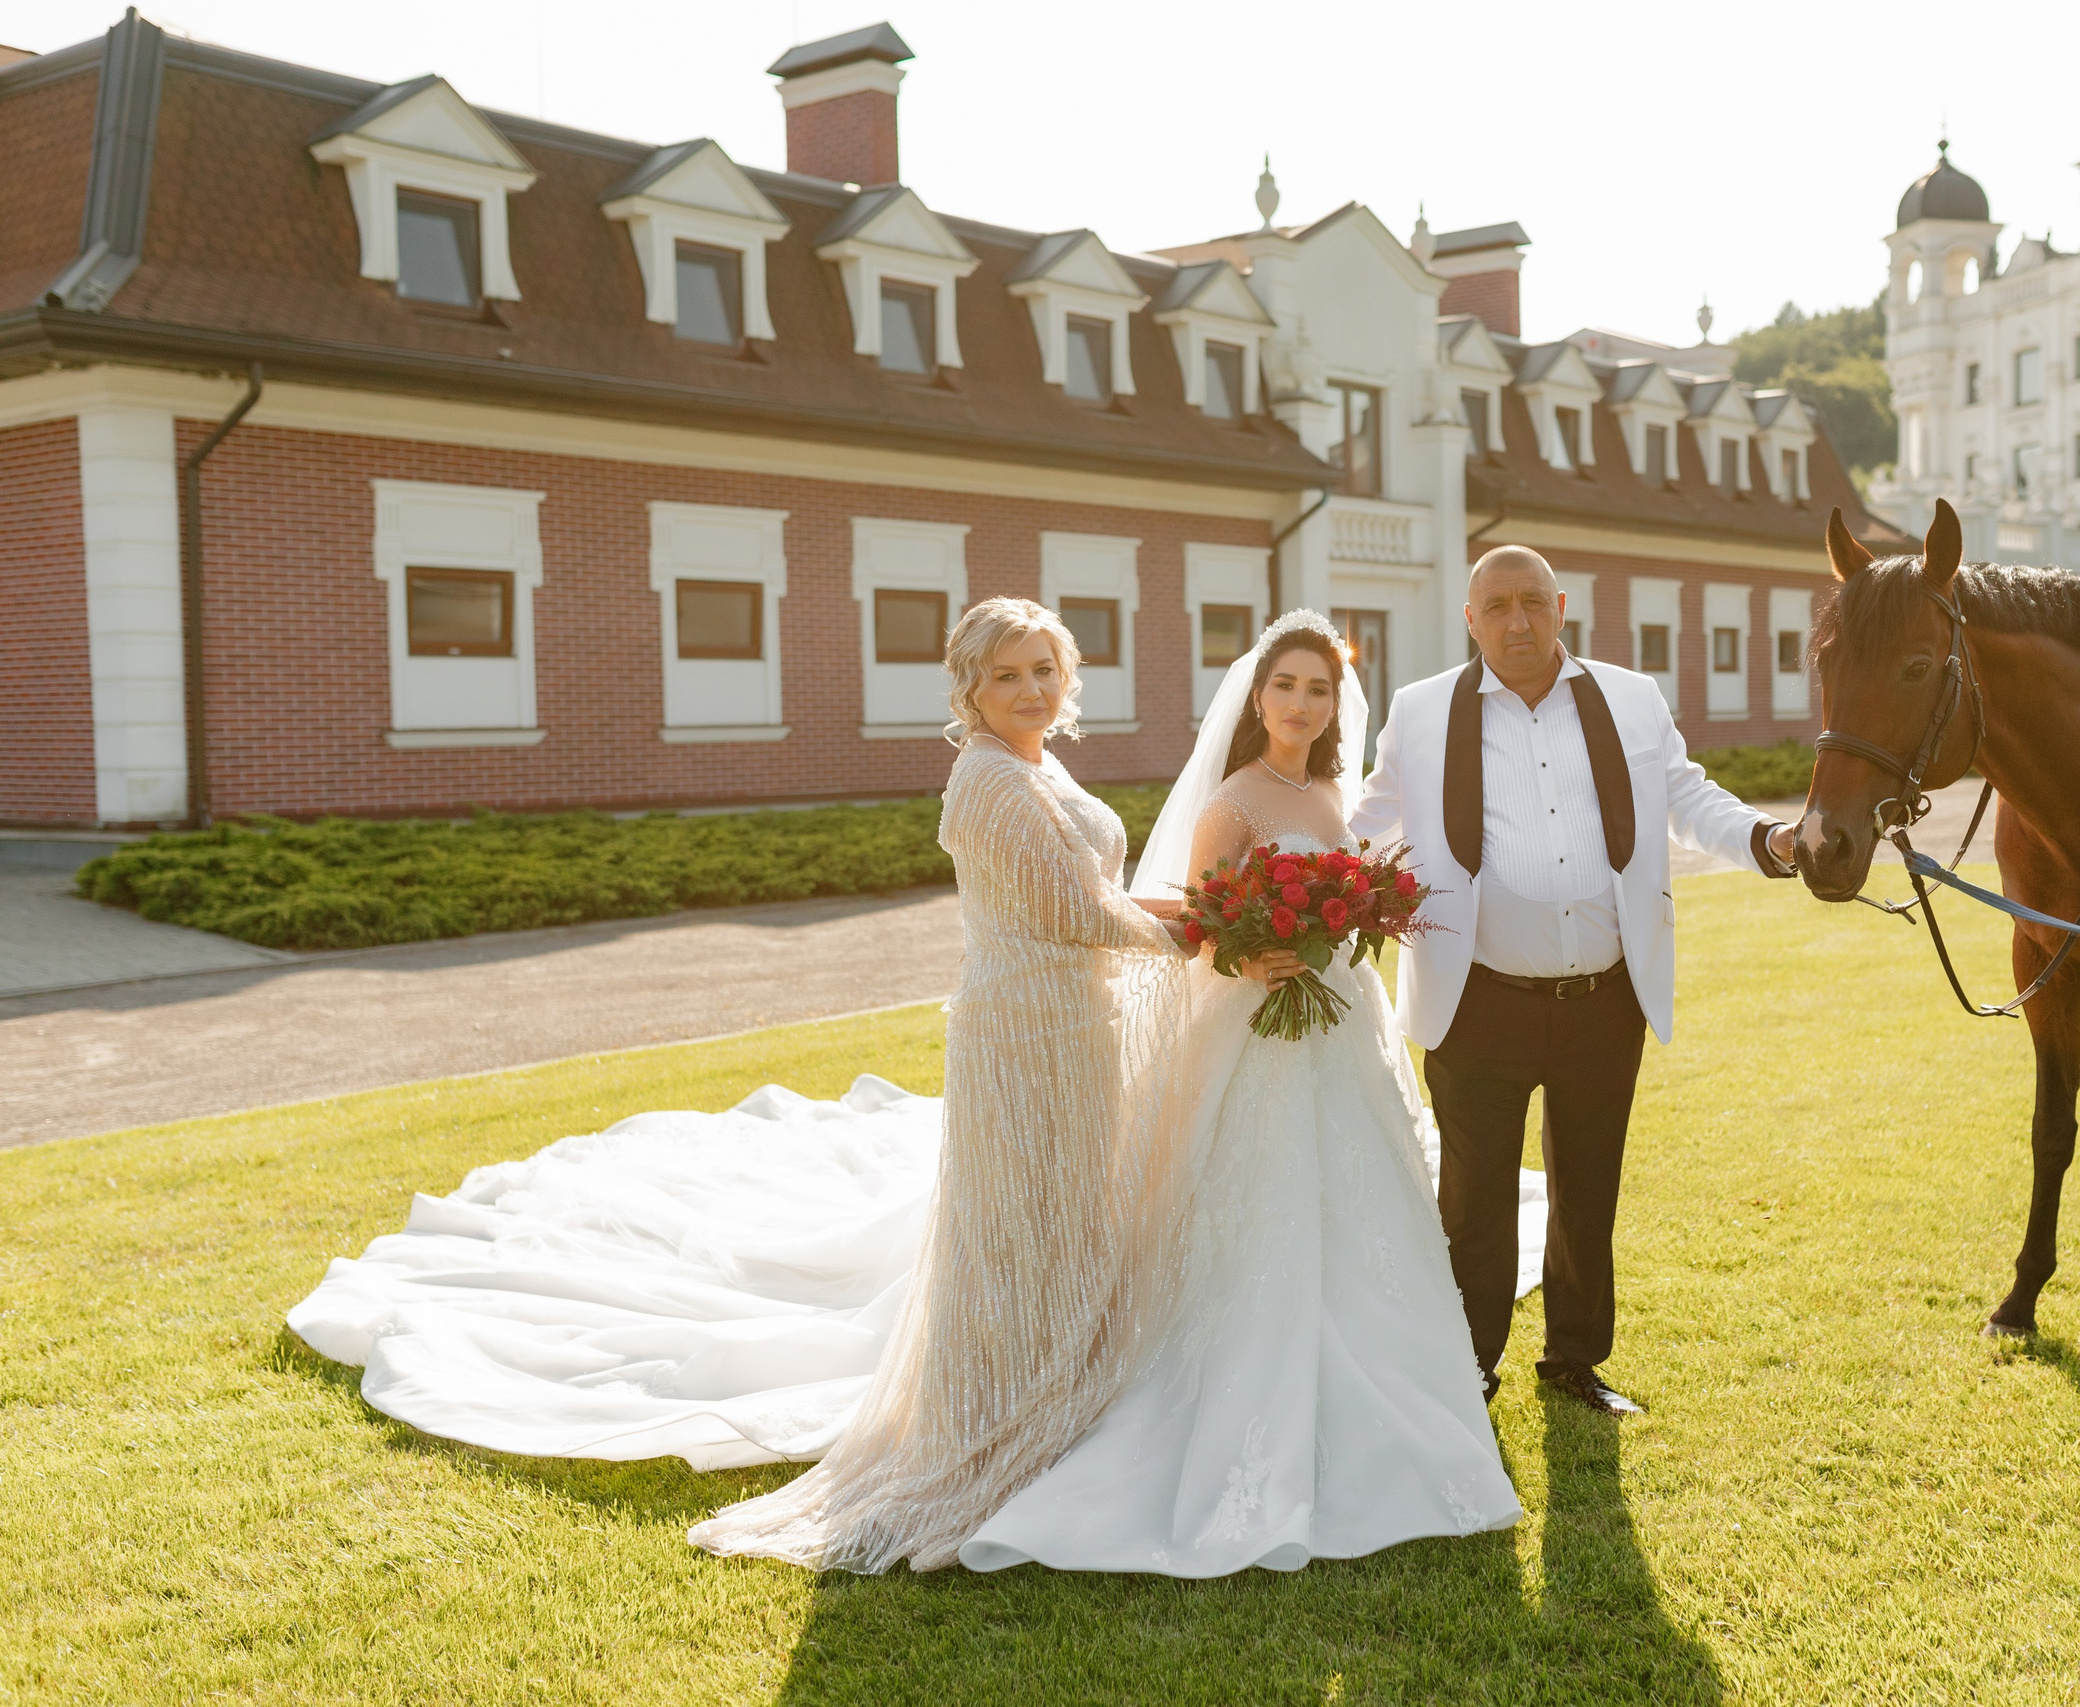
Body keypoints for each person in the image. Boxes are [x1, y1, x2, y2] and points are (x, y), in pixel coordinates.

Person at [287, 600, 1528, 1576]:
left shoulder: (1049, 773)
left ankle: (1082, 1374)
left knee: (1084, 1217)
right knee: (1035, 1220)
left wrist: (1257, 927)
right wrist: (1218, 938)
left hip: (1111, 1019)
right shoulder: (988, 782)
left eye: (1047, 671)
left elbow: (1133, 900)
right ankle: (1011, 1407)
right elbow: (1069, 909)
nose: (1033, 691)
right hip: (1033, 1026)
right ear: (970, 691)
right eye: (1010, 675)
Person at [957, 611, 1519, 1573]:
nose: (1301, 702)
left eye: (1319, 688)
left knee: (1364, 1207)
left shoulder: (1333, 792)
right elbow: (1211, 922)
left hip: (1338, 1019)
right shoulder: (1233, 799)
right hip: (1253, 1033)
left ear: (1335, 704)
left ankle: (1390, 1395)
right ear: (1256, 697)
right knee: (1266, 1211)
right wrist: (1258, 948)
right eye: (1286, 685)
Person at [1349, 547, 1799, 1416]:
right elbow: (1366, 822)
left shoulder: (1630, 696)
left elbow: (1688, 794)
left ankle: (1575, 1361)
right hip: (1476, 995)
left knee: (1589, 1185)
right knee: (1473, 1198)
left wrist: (1767, 840)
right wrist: (1289, 882)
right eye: (1496, 607)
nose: (1517, 622)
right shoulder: (1419, 710)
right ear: (1469, 620)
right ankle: (1469, 1365)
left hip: (1605, 994)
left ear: (1560, 608)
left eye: (1532, 603)